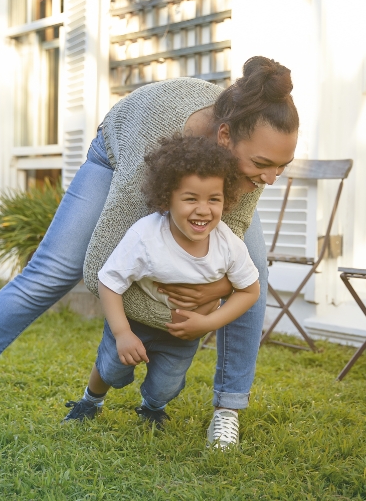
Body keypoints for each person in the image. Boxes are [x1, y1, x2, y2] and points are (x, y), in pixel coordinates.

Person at [0, 56, 299, 448]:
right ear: (225, 137)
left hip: (207, 172)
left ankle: (227, 409)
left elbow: (227, 251)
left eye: (281, 167)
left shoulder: (255, 155)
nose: (271, 178)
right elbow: (104, 262)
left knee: (256, 277)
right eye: (263, 165)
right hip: (120, 153)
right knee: (49, 273)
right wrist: (130, 332)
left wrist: (216, 291)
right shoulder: (156, 130)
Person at [64, 137, 260, 444]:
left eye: (214, 199)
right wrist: (122, 333)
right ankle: (91, 399)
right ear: (167, 198)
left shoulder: (227, 244)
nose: (203, 210)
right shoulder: (146, 235)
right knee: (113, 368)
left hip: (182, 333)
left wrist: (208, 323)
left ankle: (152, 407)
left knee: (165, 387)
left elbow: (250, 290)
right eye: (190, 198)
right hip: (136, 323)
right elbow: (110, 281)